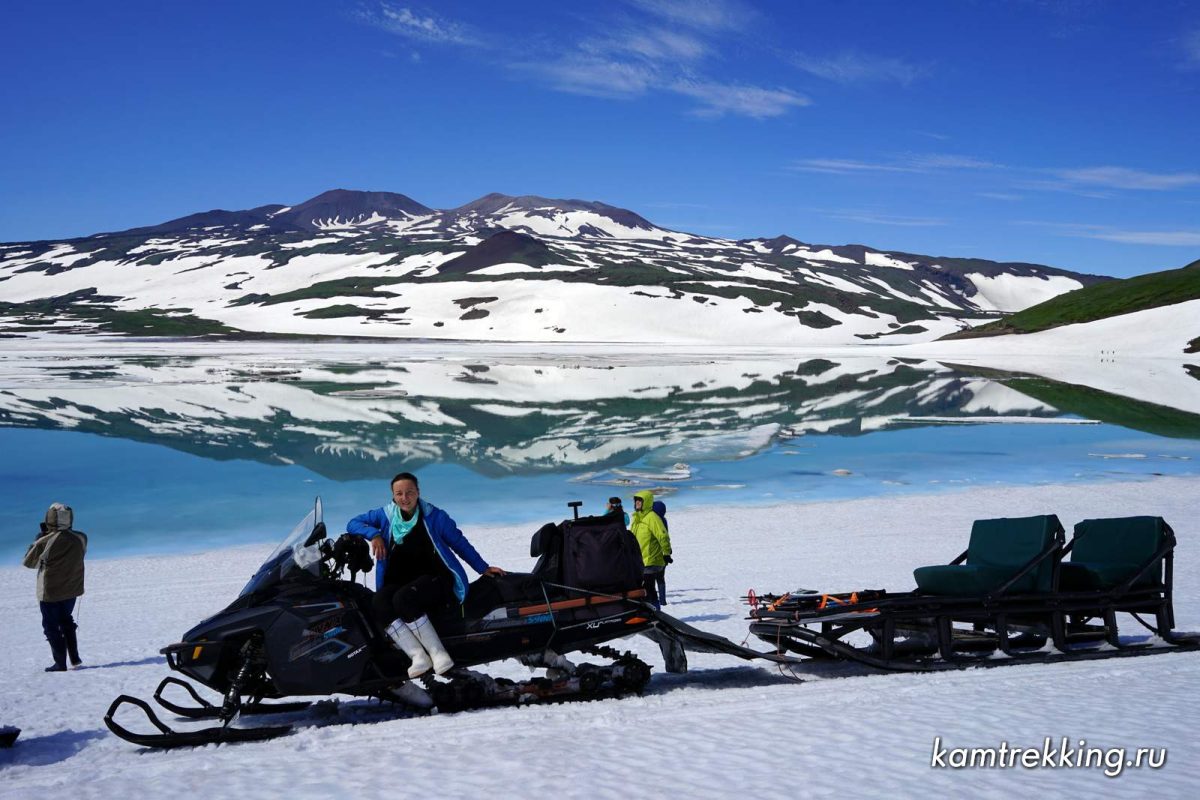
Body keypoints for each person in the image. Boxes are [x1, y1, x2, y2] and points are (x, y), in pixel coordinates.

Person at [347, 472, 505, 678]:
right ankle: (418, 656)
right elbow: (353, 523)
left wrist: (482, 567)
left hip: (435, 578)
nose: (405, 498)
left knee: (404, 598)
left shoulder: (435, 516)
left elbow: (459, 543)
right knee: (379, 602)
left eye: (409, 492)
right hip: (400, 580)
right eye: (399, 493)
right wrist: (374, 535)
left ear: (418, 493)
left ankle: (439, 654)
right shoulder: (385, 516)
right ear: (393, 496)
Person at [23, 503, 87, 672]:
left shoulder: (45, 540)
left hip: (50, 591)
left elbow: (29, 562)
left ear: (49, 519)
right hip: (72, 588)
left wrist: (38, 539)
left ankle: (60, 663)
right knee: (66, 619)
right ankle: (74, 658)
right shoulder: (81, 537)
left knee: (50, 626)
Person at [629, 490, 671, 609]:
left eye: (640, 501)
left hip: (651, 560)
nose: (637, 503)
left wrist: (666, 553)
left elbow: (663, 536)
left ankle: (656, 612)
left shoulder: (652, 517)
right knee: (642, 589)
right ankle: (650, 611)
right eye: (636, 501)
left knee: (648, 589)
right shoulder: (637, 518)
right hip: (640, 560)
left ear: (646, 502)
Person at [652, 499, 672, 605]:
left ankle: (653, 598)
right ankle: (663, 600)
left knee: (650, 578)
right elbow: (666, 537)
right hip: (663, 553)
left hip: (654, 553)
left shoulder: (654, 521)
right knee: (660, 579)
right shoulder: (664, 520)